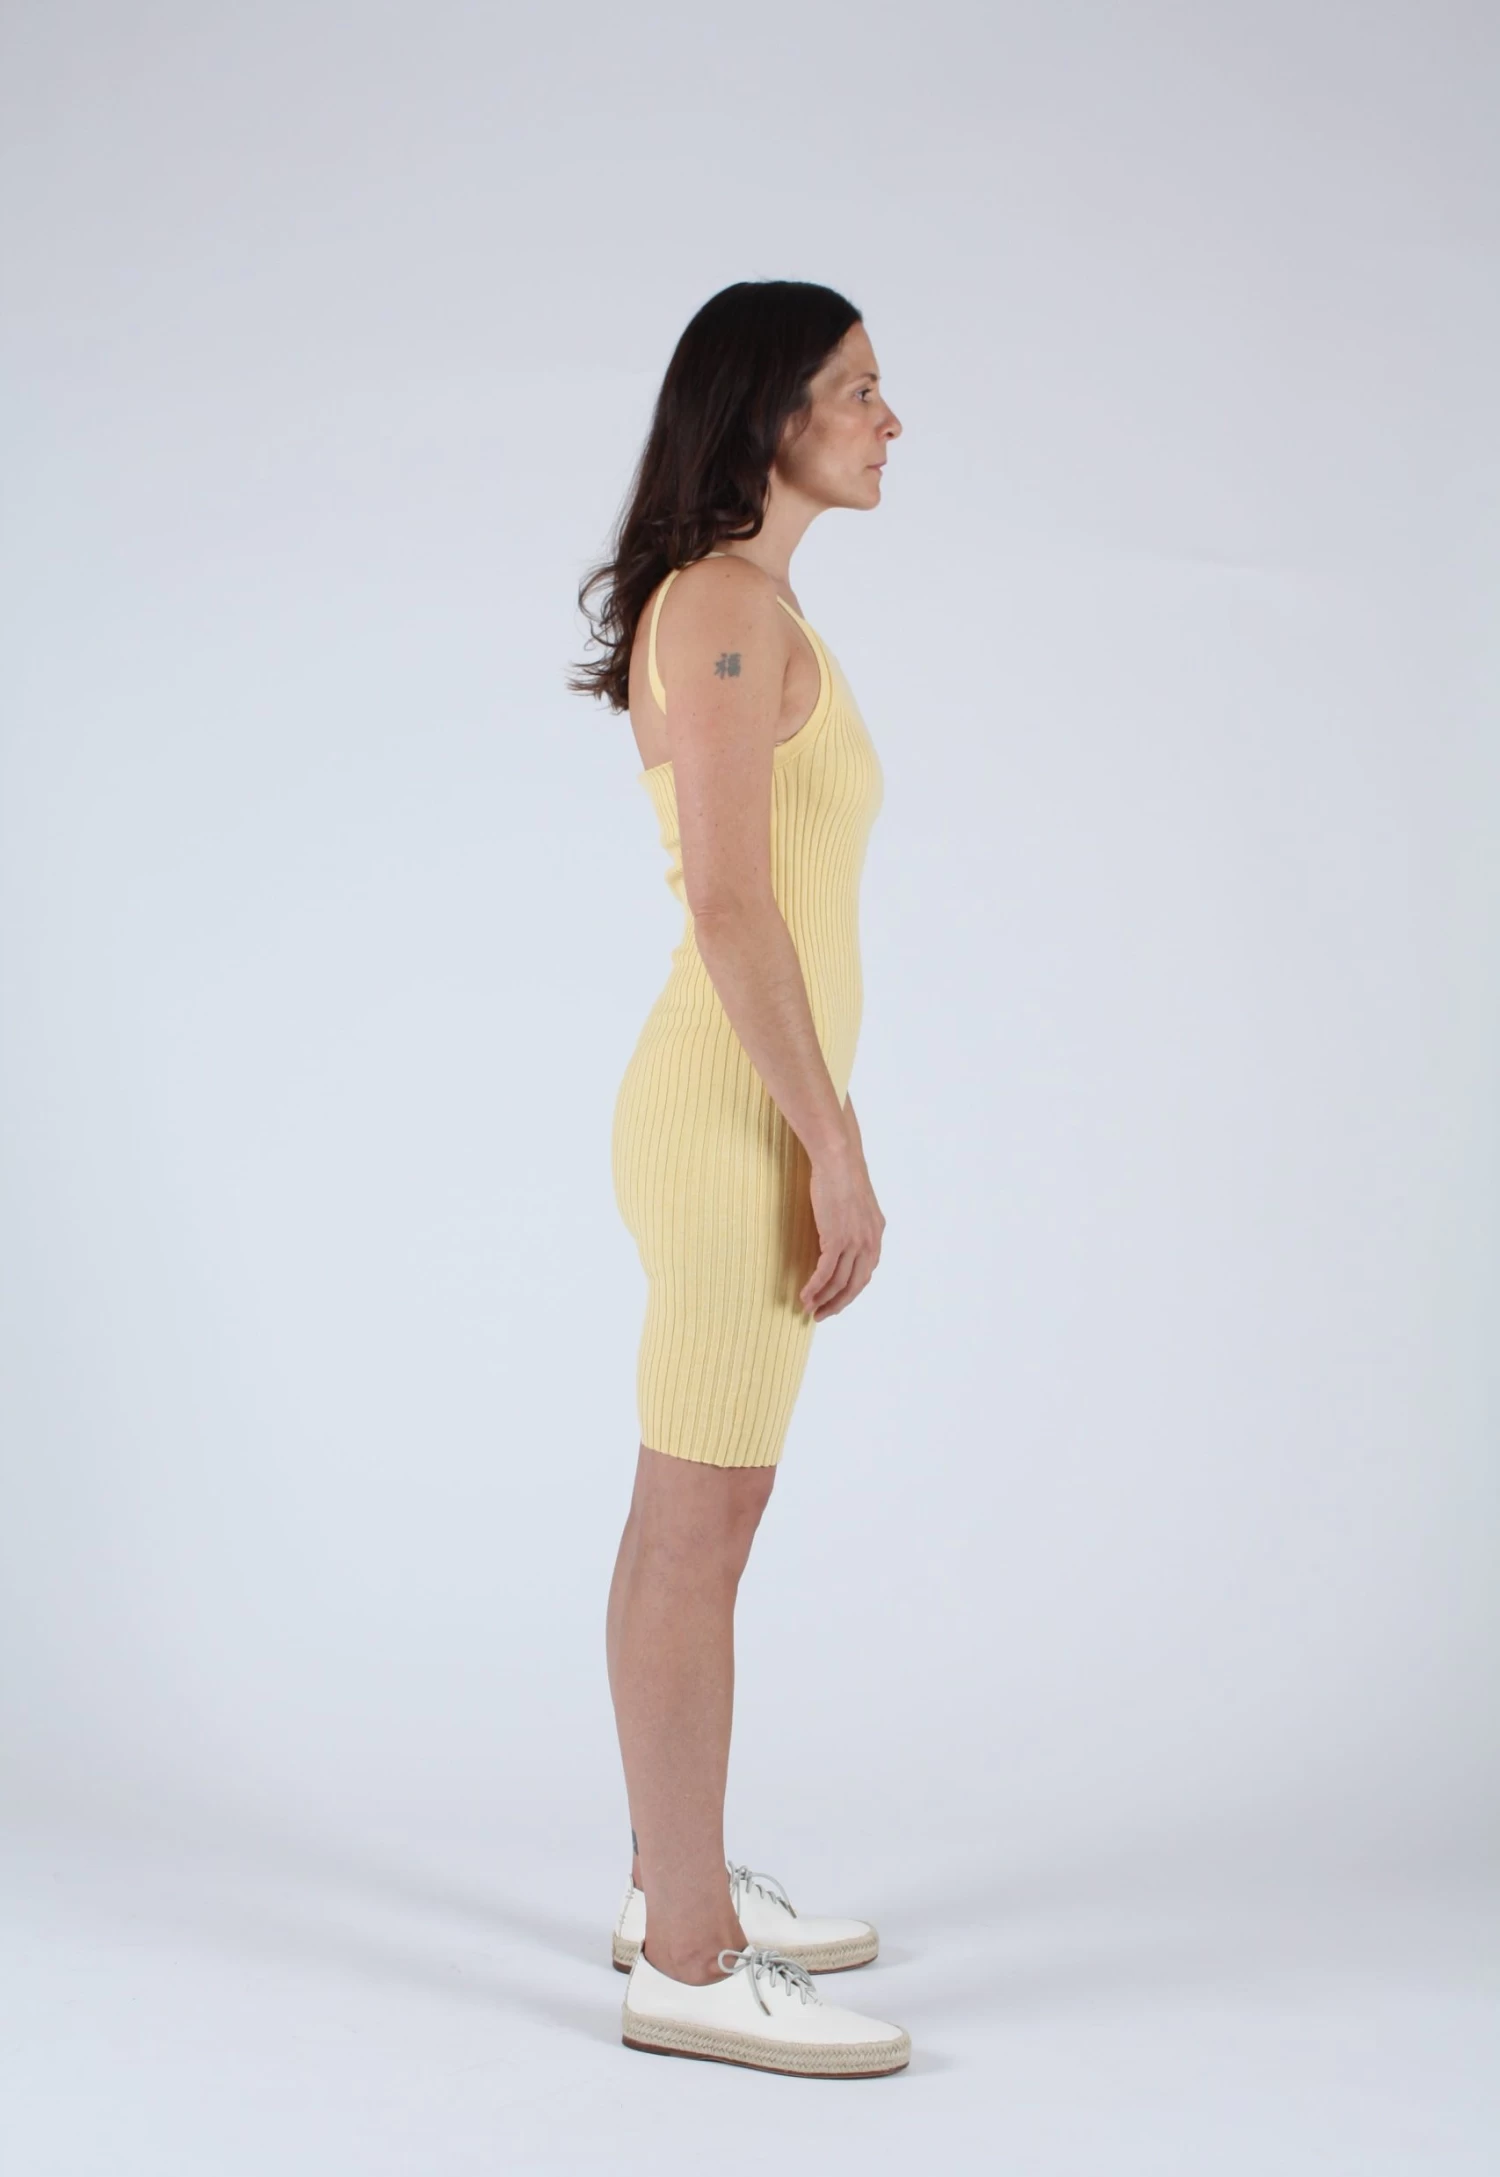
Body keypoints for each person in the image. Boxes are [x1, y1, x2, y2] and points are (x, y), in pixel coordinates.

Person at [570, 281, 908, 2077]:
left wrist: (825, 1126)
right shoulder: (716, 606)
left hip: (748, 1107)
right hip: (727, 1119)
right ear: (771, 410)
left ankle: (668, 1885)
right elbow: (725, 900)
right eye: (857, 388)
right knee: (700, 1528)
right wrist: (828, 1144)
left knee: (690, 1518)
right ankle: (691, 1964)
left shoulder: (755, 608)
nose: (889, 418)